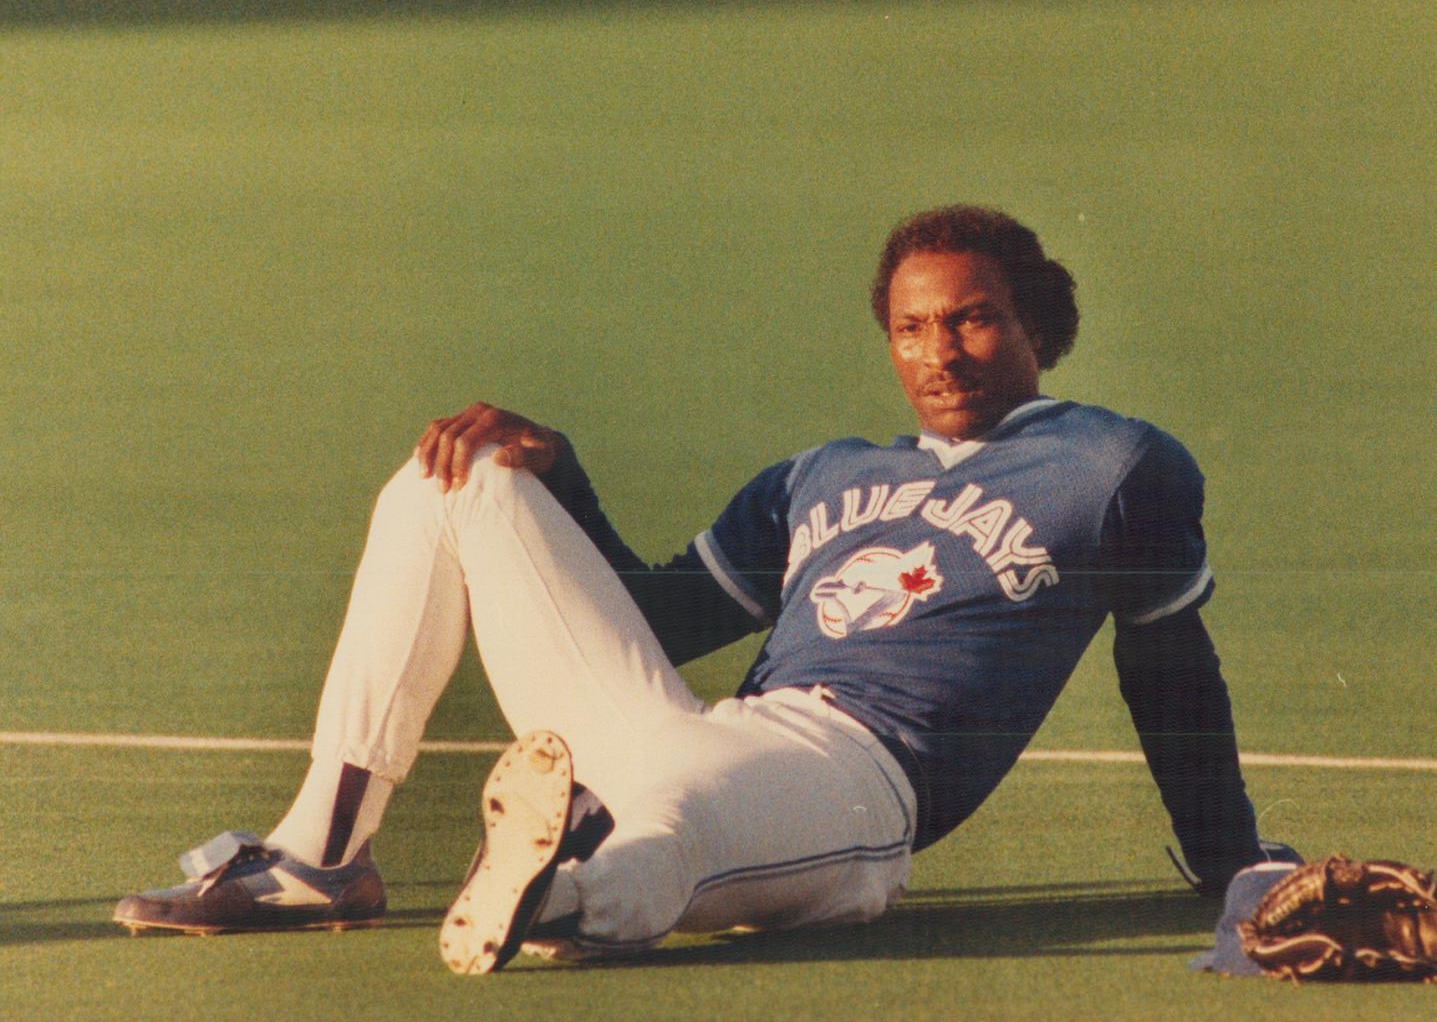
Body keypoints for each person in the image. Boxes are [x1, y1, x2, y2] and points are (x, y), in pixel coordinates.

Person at [115, 205, 1290, 971]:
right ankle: (326, 852)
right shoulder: (820, 477)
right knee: (457, 470)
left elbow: (1168, 663)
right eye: (912, 327)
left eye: (973, 319)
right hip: (684, 728)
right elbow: (666, 621)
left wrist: (1228, 853)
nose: (940, 352)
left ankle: (556, 888)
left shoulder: (1112, 464)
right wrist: (557, 473)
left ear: (1034, 322)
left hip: (854, 786)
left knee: (675, 839)